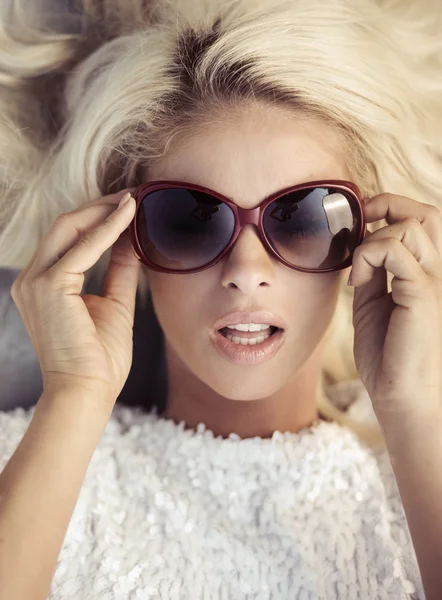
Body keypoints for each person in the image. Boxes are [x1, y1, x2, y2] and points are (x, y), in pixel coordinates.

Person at [0, 0, 441, 598]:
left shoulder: (422, 471)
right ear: (126, 238)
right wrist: (75, 394)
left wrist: (414, 406)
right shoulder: (22, 459)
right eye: (189, 221)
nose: (246, 271)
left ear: (369, 237)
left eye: (305, 217)